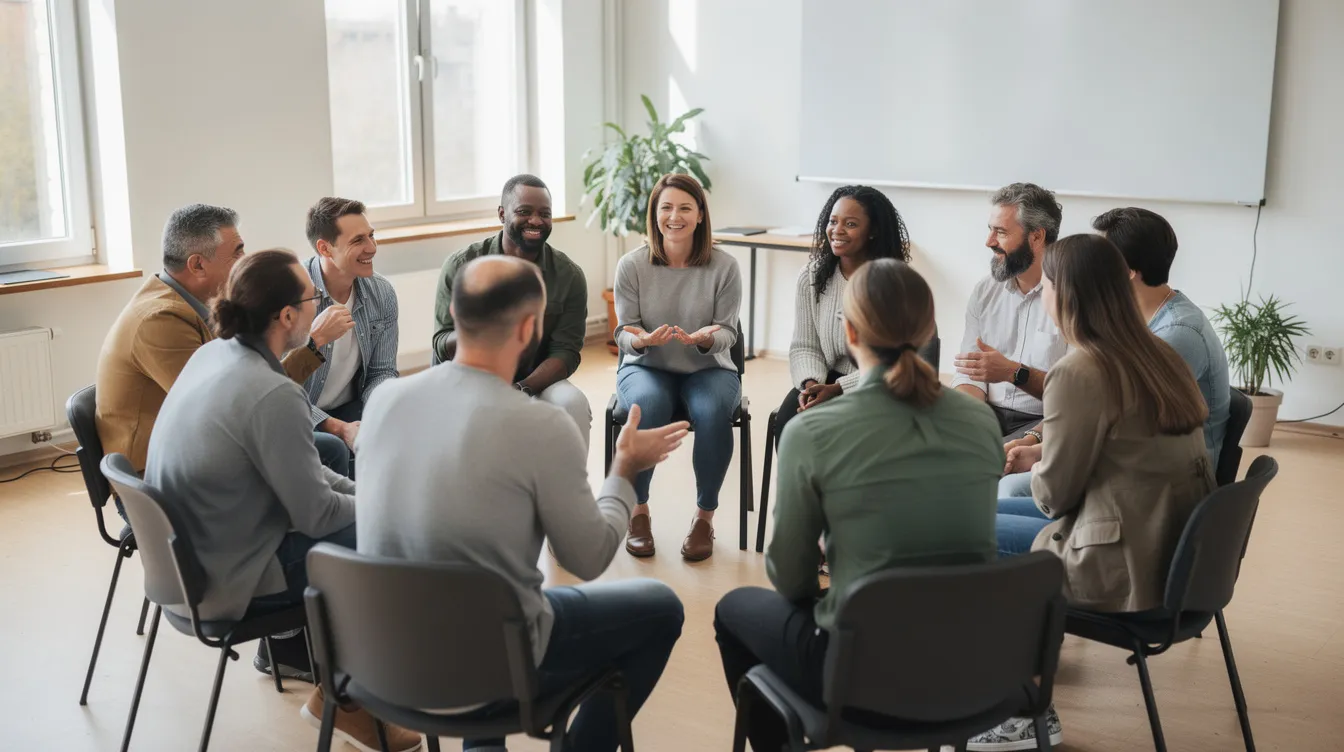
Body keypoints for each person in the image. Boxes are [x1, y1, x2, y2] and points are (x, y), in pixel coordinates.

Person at [357, 255, 687, 752]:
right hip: (490, 664)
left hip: (385, 658)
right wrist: (624, 470)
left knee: (478, 599)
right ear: (530, 328)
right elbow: (588, 558)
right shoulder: (540, 425)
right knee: (660, 606)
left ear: (453, 310)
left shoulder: (383, 401)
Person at [714, 259, 1004, 752]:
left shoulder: (811, 431)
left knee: (734, 609)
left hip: (864, 681)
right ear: (930, 329)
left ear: (849, 332)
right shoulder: (980, 421)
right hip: (971, 669)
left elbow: (790, 577)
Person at [144, 249, 421, 752]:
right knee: (389, 538)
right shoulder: (272, 394)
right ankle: (352, 699)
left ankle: (338, 686)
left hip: (190, 561)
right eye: (312, 298)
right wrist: (392, 509)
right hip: (229, 579)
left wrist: (377, 494)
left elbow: (308, 474)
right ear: (288, 316)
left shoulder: (213, 355)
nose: (319, 304)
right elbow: (316, 514)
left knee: (348, 481)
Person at [973, 235, 1213, 751]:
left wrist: (1044, 460)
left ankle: (1020, 708)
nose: (1041, 296)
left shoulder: (1080, 369)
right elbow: (1123, 453)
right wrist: (1046, 453)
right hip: (1169, 553)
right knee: (987, 510)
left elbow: (1054, 499)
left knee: (969, 531)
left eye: (1048, 285)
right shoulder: (1155, 353)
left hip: (1120, 561)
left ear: (1067, 293)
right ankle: (1029, 695)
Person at [95, 204, 348, 478]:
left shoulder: (191, 305)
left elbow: (247, 381)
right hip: (161, 476)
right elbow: (237, 405)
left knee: (326, 449)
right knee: (326, 453)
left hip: (197, 448)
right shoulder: (160, 321)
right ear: (198, 265)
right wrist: (315, 341)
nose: (244, 260)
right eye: (237, 252)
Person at [997, 207, 1231, 497]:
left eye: (1101, 257)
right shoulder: (1134, 321)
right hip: (1137, 469)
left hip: (1158, 489)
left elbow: (1113, 426)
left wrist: (1042, 457)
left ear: (1128, 272)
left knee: (1010, 490)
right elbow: (1095, 413)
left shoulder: (1176, 336)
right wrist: (1036, 442)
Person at [613, 173, 743, 561]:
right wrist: (642, 341)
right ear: (654, 214)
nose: (675, 216)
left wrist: (704, 338)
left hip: (708, 369)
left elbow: (728, 335)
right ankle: (638, 513)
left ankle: (704, 517)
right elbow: (623, 332)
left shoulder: (725, 267)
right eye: (666, 207)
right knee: (645, 406)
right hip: (646, 365)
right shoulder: (632, 265)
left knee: (713, 409)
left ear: (701, 215)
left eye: (685, 208)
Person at [432, 175, 591, 445]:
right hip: (469, 378)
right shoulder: (462, 265)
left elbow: (566, 352)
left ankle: (567, 487)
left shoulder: (569, 276)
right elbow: (441, 342)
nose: (536, 221)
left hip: (534, 380)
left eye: (545, 214)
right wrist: (481, 326)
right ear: (502, 214)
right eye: (524, 211)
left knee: (573, 403)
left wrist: (521, 389)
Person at [779, 185, 939, 443]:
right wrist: (811, 386)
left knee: (844, 436)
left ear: (873, 231)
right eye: (833, 221)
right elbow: (804, 346)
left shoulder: (893, 283)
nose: (837, 230)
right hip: (825, 380)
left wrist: (838, 389)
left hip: (883, 384)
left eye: (850, 224)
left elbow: (896, 362)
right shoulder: (812, 276)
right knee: (789, 424)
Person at [952, 183, 1069, 441]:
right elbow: (970, 373)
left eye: (1001, 232)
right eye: (990, 230)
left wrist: (1012, 372)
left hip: (1046, 421)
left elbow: (1075, 394)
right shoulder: (985, 290)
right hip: (985, 414)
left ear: (1037, 237)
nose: (989, 242)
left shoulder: (1073, 296)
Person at [302, 197, 400, 477]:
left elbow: (381, 371)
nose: (372, 248)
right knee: (337, 449)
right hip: (300, 414)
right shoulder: (292, 297)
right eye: (358, 240)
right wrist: (337, 427)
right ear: (325, 248)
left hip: (352, 406)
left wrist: (382, 410)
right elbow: (279, 388)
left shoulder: (381, 293)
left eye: (371, 236)